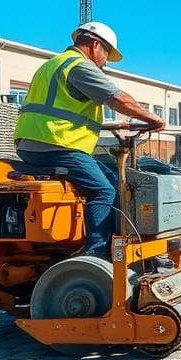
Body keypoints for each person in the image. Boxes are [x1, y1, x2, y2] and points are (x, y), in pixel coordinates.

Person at [14, 22, 166, 259]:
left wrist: (115, 125)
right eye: (106, 54)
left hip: (34, 143)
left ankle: (117, 243)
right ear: (95, 45)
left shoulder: (52, 65)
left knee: (115, 181)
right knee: (104, 191)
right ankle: (97, 254)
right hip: (57, 145)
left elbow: (61, 111)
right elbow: (118, 99)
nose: (104, 62)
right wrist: (153, 118)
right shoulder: (79, 67)